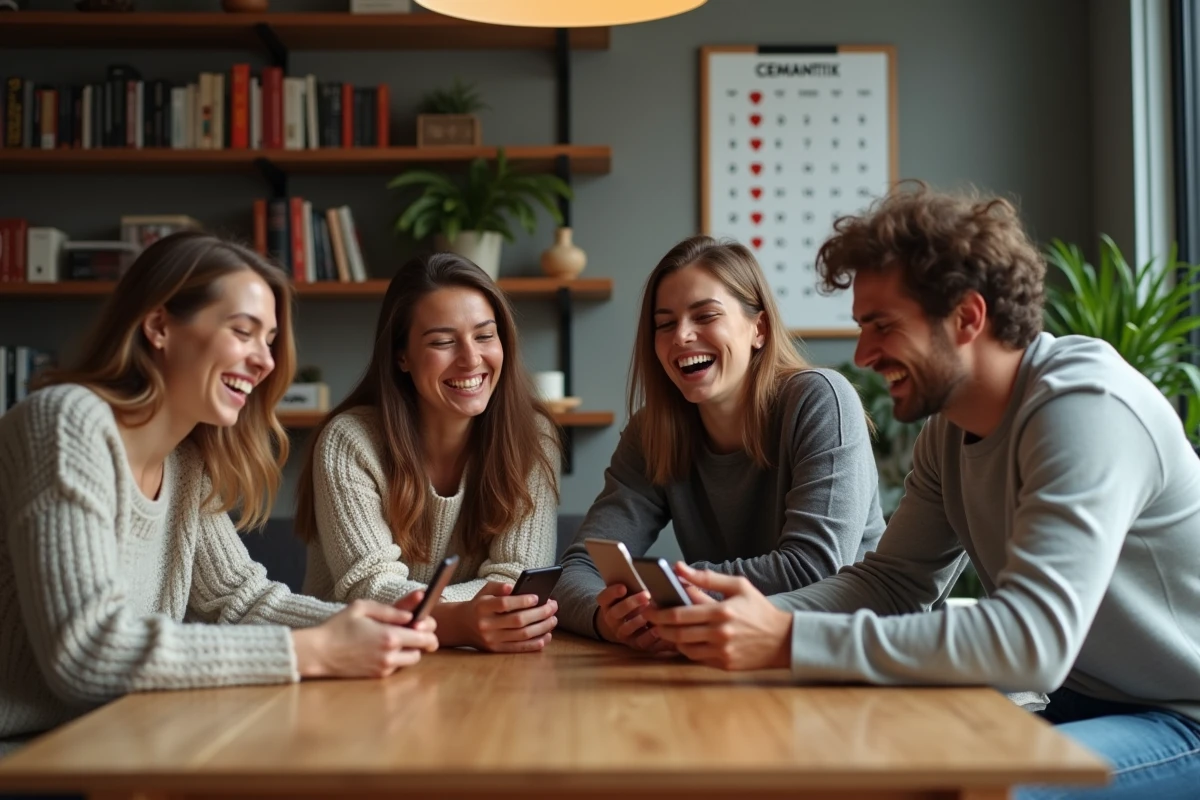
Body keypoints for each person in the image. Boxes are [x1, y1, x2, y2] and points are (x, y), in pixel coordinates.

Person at [643, 185, 1200, 799]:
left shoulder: (1085, 408)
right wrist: (749, 619)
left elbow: (1031, 641)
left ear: (967, 316)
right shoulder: (950, 430)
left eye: (882, 326)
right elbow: (893, 583)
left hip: (1180, 714)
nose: (862, 354)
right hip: (1080, 701)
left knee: (974, 789)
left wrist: (786, 638)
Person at [0, 232, 437, 757]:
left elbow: (239, 601)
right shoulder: (67, 421)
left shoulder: (185, 463)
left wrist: (366, 628)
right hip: (26, 751)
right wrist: (313, 650)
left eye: (269, 340)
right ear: (159, 326)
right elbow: (87, 651)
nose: (266, 362)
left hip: (109, 738)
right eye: (243, 332)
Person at [554, 234, 886, 653]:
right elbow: (578, 568)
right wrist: (610, 618)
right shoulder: (652, 431)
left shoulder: (821, 400)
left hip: (838, 654)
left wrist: (673, 590)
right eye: (665, 324)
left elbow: (814, 568)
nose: (682, 337)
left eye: (705, 316)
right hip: (722, 658)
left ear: (758, 328)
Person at [295, 252, 561, 654]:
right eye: (442, 341)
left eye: (485, 336)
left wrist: (469, 619)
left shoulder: (534, 438)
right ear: (401, 356)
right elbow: (370, 587)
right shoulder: (349, 440)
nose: (471, 359)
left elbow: (515, 578)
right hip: (356, 663)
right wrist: (461, 621)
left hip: (482, 665)